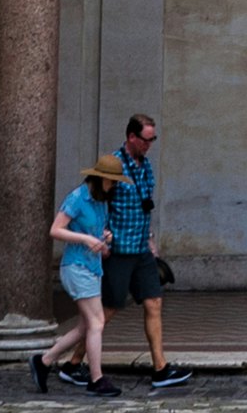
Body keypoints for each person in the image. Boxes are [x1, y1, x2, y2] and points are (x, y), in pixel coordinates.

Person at [104, 113, 192, 392]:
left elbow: (146, 205)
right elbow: (98, 203)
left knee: (154, 302)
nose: (149, 145)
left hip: (141, 249)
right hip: (118, 249)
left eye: (153, 140)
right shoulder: (113, 166)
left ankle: (160, 367)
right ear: (132, 137)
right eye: (146, 140)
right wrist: (101, 237)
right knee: (107, 310)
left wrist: (151, 241)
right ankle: (73, 361)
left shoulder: (146, 166)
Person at [41, 164, 118, 392]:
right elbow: (56, 230)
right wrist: (85, 239)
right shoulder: (77, 198)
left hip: (92, 268)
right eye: (112, 181)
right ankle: (96, 379)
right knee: (97, 323)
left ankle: (44, 361)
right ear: (100, 178)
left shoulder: (101, 201)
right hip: (76, 267)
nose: (114, 186)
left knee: (85, 327)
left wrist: (104, 238)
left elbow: (96, 232)